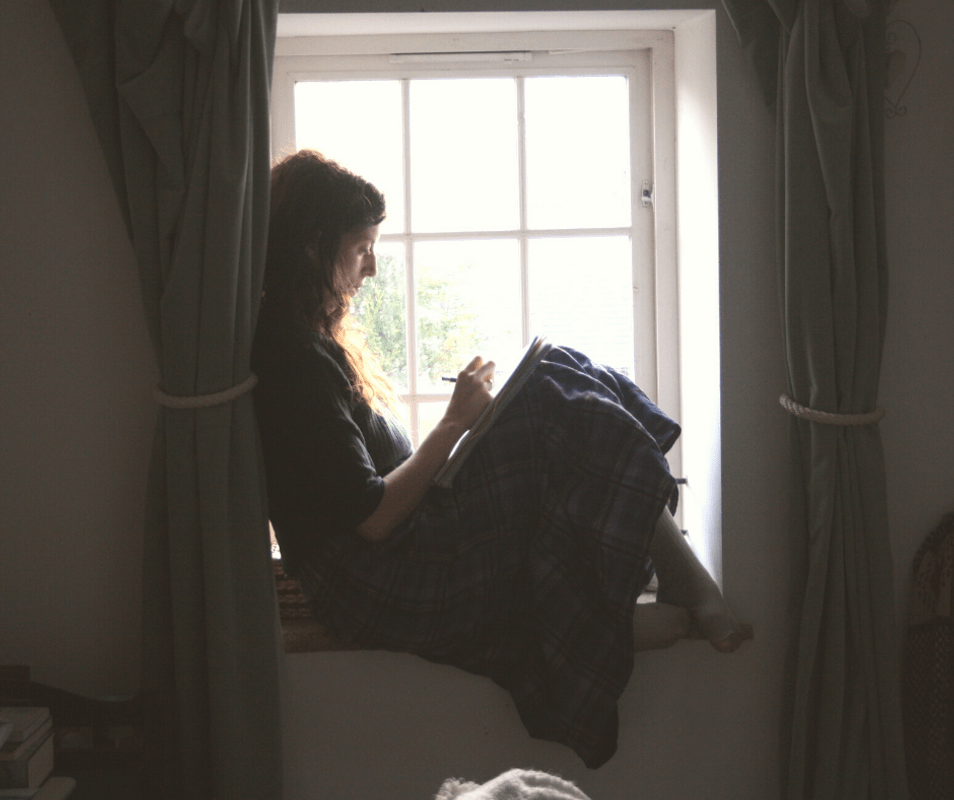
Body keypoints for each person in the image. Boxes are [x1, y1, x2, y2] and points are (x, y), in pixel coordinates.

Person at [252, 149, 750, 768]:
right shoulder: (292, 359)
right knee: (549, 390)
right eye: (361, 249)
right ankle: (680, 582)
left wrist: (471, 429)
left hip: (393, 556)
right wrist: (457, 422)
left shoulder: (305, 343)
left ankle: (661, 575)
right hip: (382, 578)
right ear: (311, 248)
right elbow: (374, 518)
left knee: (555, 367)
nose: (373, 268)